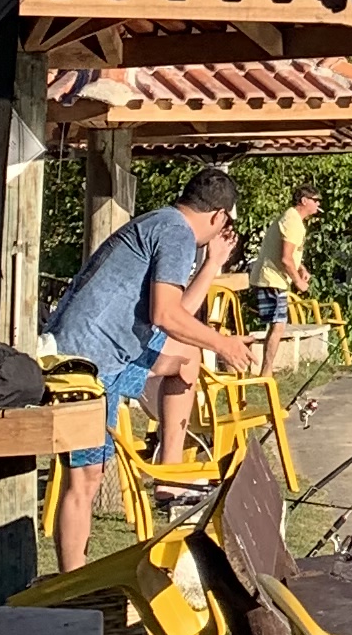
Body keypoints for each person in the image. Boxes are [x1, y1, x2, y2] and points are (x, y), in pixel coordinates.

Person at [49, 167, 249, 569]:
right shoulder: (176, 233)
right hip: (86, 361)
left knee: (186, 359)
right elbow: (165, 315)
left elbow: (177, 315)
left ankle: (168, 474)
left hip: (111, 350)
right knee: (84, 478)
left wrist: (213, 265)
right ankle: (70, 583)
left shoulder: (162, 222)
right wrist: (223, 343)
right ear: (219, 217)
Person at [250, 181, 323, 372]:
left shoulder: (292, 219)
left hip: (274, 279)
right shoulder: (292, 222)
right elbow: (285, 258)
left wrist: (301, 268)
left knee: (277, 325)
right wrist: (299, 282)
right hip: (271, 279)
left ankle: (266, 370)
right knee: (278, 326)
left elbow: (288, 253)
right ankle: (266, 371)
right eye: (315, 200)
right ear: (304, 200)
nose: (318, 204)